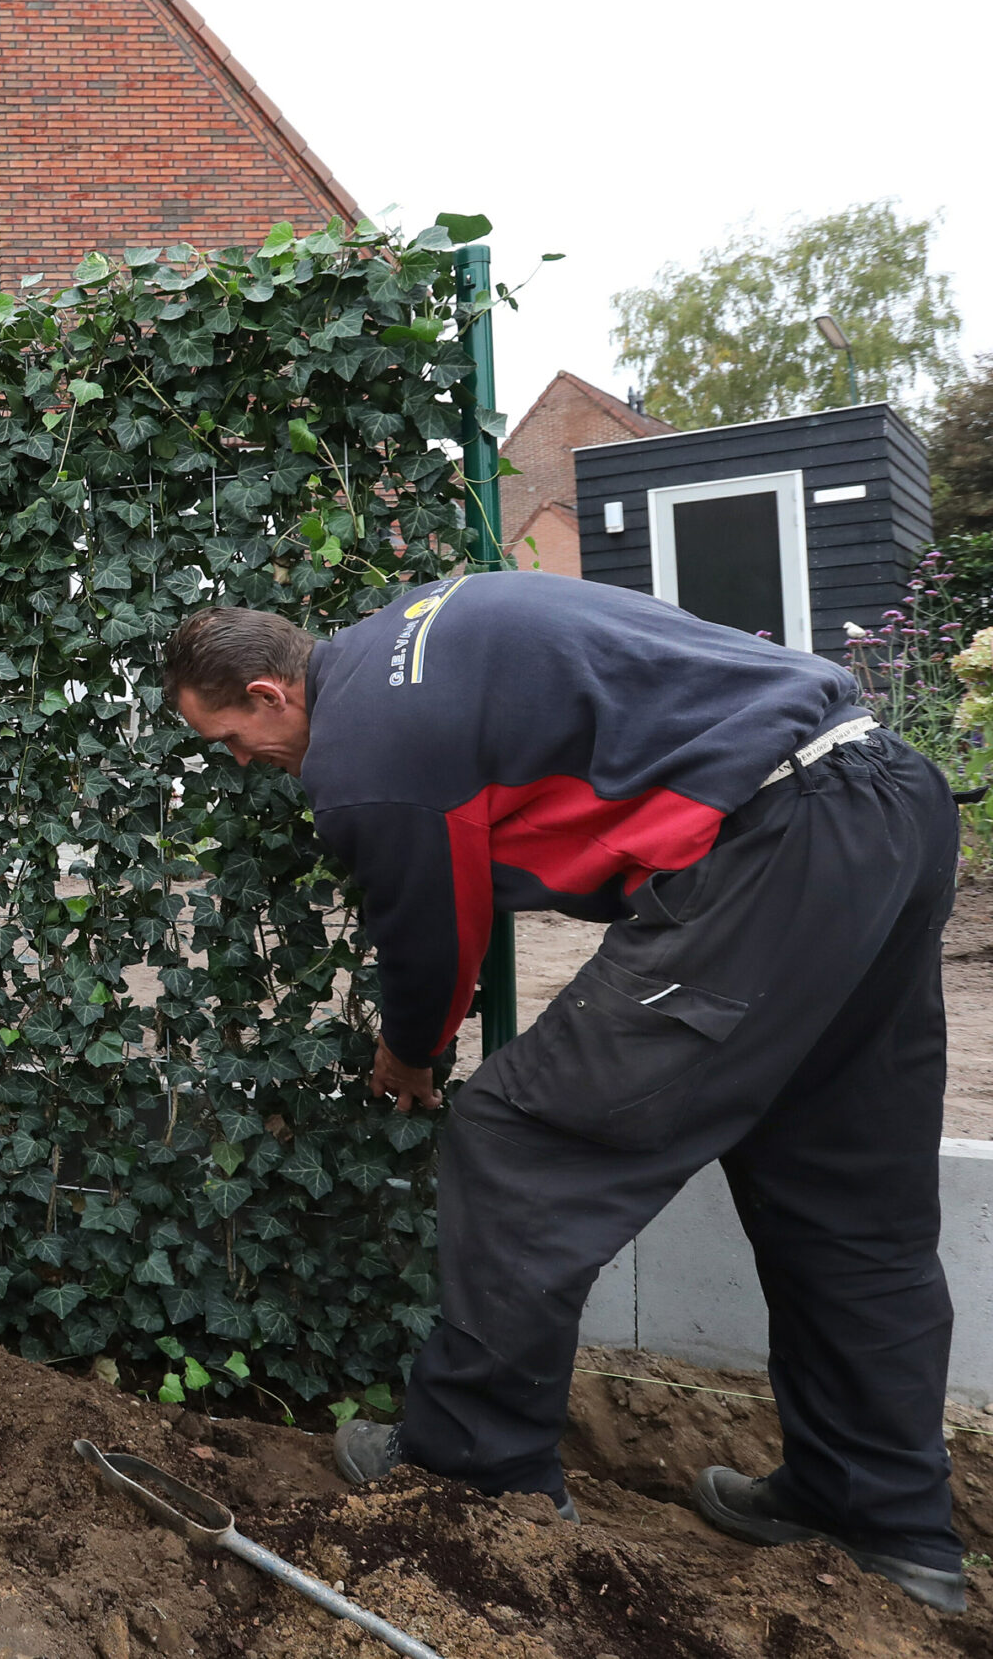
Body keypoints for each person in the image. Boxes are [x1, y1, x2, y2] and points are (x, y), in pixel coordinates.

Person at [162, 570, 965, 1614]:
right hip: (889, 799)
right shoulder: (412, 629)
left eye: (228, 738)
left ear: (270, 692)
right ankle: (884, 1520)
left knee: (515, 1135)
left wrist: (410, 1055)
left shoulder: (363, 743)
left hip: (779, 836)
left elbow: (431, 931)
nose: (240, 764)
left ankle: (475, 1467)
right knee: (844, 1197)